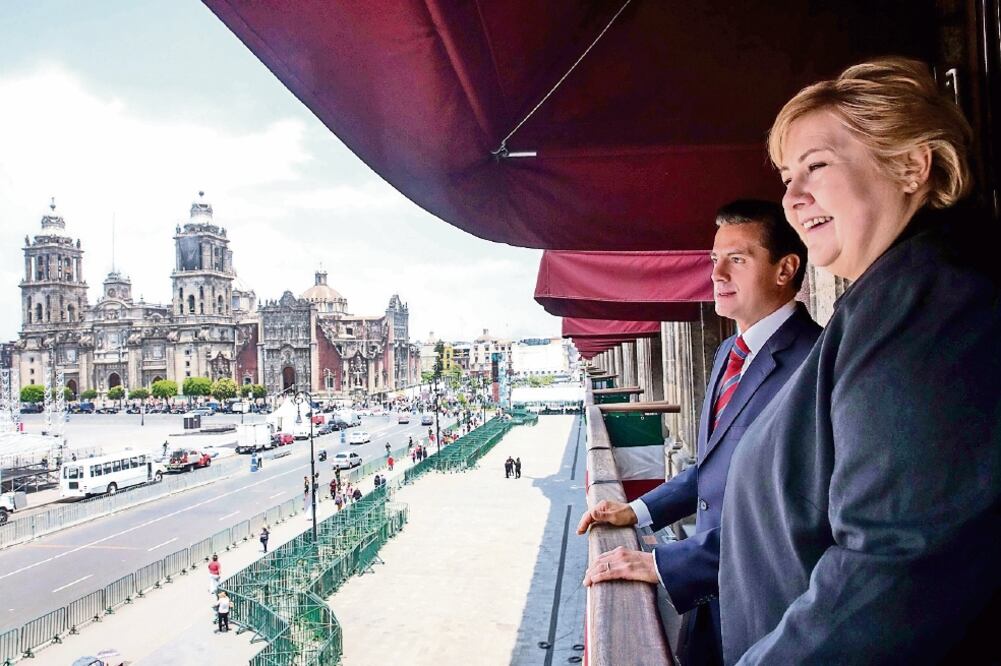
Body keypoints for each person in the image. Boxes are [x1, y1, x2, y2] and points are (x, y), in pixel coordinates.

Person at [719, 57, 1000, 665]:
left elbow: (896, 567)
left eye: (816, 166)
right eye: (787, 176)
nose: (792, 198)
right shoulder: (891, 297)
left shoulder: (926, 302)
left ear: (911, 166)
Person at [578, 199, 820, 666]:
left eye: (738, 259)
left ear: (785, 268)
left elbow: (794, 513)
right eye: (714, 259)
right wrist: (638, 510)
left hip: (769, 610)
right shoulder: (729, 351)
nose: (717, 274)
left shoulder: (815, 364)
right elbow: (709, 471)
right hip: (710, 605)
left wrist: (663, 563)